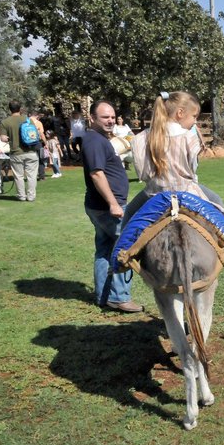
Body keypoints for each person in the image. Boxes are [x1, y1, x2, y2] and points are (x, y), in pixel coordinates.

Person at [124, 91, 224, 225]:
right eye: (194, 116)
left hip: (155, 193)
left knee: (129, 215)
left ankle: (119, 246)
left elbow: (143, 174)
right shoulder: (189, 137)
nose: (195, 121)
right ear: (180, 113)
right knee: (217, 202)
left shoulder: (142, 138)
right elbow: (192, 169)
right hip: (186, 192)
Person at [81, 99, 143, 312]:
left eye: (112, 117)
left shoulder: (97, 139)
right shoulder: (95, 141)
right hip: (108, 208)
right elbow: (97, 174)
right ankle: (119, 297)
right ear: (92, 118)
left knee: (105, 249)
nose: (109, 121)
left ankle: (104, 296)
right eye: (104, 117)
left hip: (98, 206)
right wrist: (114, 204)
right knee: (125, 247)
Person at [0, 100, 39, 201]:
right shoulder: (27, 119)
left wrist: (10, 138)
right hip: (30, 151)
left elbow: (3, 138)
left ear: (10, 109)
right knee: (32, 176)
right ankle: (31, 196)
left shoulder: (5, 122)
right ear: (20, 108)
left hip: (16, 152)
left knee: (18, 176)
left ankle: (21, 196)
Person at [29, 110, 48, 181]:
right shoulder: (38, 123)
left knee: (31, 160)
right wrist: (45, 143)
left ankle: (31, 176)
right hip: (37, 143)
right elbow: (42, 134)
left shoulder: (26, 122)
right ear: (37, 116)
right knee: (41, 159)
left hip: (28, 143)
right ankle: (41, 176)